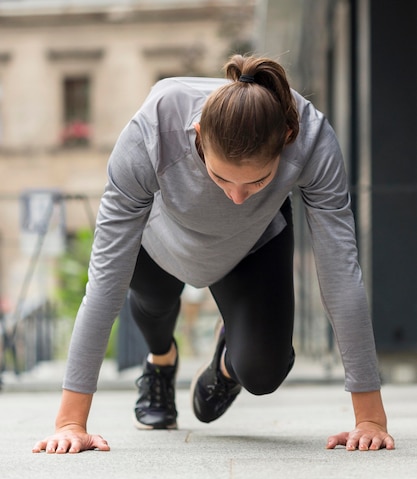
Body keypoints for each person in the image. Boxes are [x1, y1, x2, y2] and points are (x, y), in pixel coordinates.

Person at [32, 54, 395, 454]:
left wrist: (370, 419)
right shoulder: (152, 131)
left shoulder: (311, 137)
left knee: (264, 372)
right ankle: (161, 360)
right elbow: (104, 281)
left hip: (250, 245)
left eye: (258, 181)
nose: (237, 197)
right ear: (198, 133)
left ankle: (227, 360)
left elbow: (341, 272)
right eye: (221, 176)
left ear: (288, 138)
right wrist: (70, 423)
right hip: (159, 241)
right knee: (152, 305)